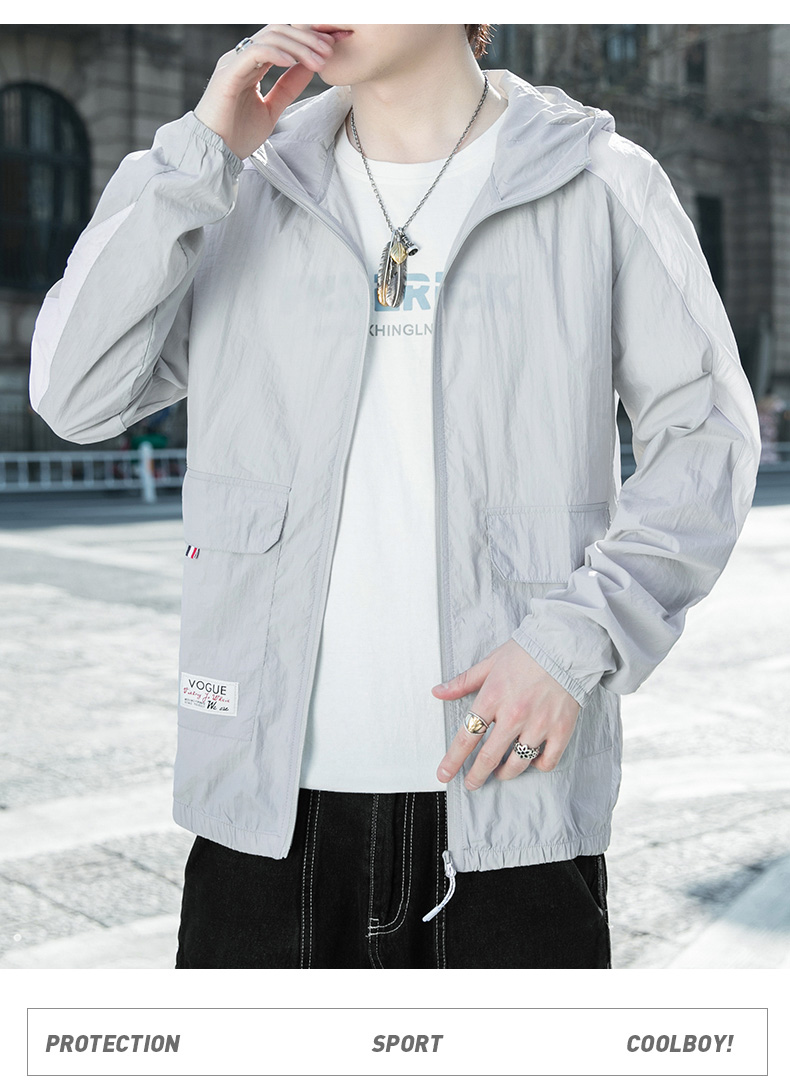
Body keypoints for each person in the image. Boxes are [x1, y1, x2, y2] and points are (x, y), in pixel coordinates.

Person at [29, 23, 761, 969]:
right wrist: (198, 152)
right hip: (261, 819)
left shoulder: (599, 181)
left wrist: (575, 641)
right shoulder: (239, 186)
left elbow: (707, 438)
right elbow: (75, 394)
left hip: (512, 812)